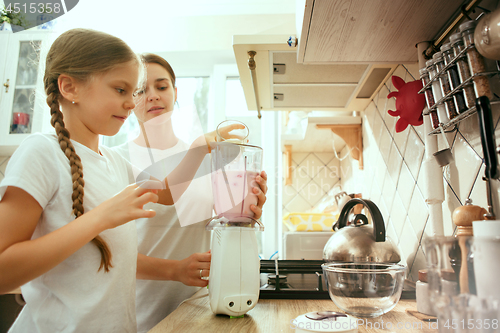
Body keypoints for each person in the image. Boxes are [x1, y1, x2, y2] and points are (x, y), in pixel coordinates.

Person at [0, 29, 230, 333]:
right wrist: (101, 218)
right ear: (69, 87)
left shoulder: (112, 162)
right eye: (120, 90)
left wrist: (199, 148)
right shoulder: (41, 152)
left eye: (131, 92)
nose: (130, 102)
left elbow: (166, 192)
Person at [112, 53, 268, 332]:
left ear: (175, 92)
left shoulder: (209, 158)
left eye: (161, 87)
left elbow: (228, 225)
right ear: (128, 99)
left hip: (203, 307)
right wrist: (175, 269)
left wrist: (250, 210)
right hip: (140, 311)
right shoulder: (116, 161)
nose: (152, 96)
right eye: (140, 90)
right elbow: (110, 254)